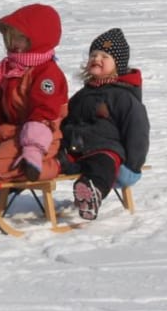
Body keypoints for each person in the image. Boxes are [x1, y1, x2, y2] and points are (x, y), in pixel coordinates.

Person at [0, 3, 69, 184]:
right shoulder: (10, 69)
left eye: (20, 38)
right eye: (11, 38)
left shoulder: (47, 73)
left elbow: (43, 114)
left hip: (43, 138)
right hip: (12, 132)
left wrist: (32, 151)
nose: (14, 44)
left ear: (38, 39)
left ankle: (57, 164)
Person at [57, 28, 149, 221]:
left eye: (104, 56)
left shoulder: (123, 97)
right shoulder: (83, 95)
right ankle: (11, 183)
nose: (97, 59)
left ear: (118, 65)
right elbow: (67, 119)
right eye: (93, 55)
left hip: (106, 152)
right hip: (75, 150)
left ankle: (92, 192)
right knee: (49, 156)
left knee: (101, 163)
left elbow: (137, 131)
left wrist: (132, 166)